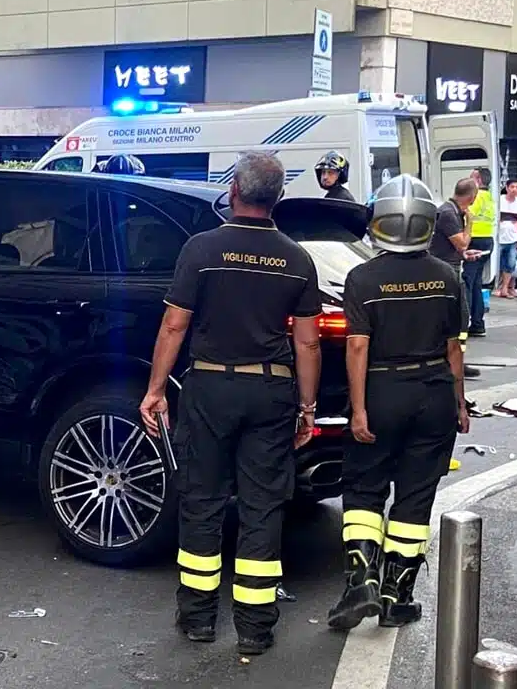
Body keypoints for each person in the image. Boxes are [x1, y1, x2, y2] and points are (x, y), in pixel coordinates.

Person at [139, 152, 323, 657]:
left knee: (203, 501)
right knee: (264, 506)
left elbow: (174, 325)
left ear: (234, 191)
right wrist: (307, 408)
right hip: (271, 391)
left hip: (210, 388)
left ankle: (198, 619)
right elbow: (307, 343)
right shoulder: (296, 258)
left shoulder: (202, 249)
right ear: (278, 198)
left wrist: (156, 390)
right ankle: (256, 627)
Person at [327, 175, 469, 631]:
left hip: (382, 391)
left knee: (365, 489)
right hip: (433, 394)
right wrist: (460, 403)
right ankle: (396, 595)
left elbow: (356, 348)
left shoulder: (362, 277)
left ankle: (360, 581)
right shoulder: (447, 276)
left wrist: (359, 408)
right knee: (414, 497)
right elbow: (454, 350)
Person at [429, 179, 481, 379]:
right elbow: (461, 243)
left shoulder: (451, 211)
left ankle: (457, 358)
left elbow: (456, 248)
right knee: (460, 318)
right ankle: (454, 359)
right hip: (446, 271)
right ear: (472, 197)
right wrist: (470, 224)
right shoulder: (449, 213)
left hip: (450, 266)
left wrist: (466, 255)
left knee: (460, 319)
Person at [463, 169, 496, 334]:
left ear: (477, 179)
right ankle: (477, 323)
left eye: (471, 177)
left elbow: (468, 213)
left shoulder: (478, 196)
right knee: (475, 283)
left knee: (467, 282)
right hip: (487, 240)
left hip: (475, 240)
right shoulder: (489, 196)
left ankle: (465, 321)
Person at [495, 178, 517, 298]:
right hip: (499, 238)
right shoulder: (499, 200)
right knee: (498, 264)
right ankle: (497, 287)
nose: (515, 190)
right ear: (507, 188)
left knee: (510, 264)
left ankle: (505, 289)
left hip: (513, 238)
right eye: (512, 187)